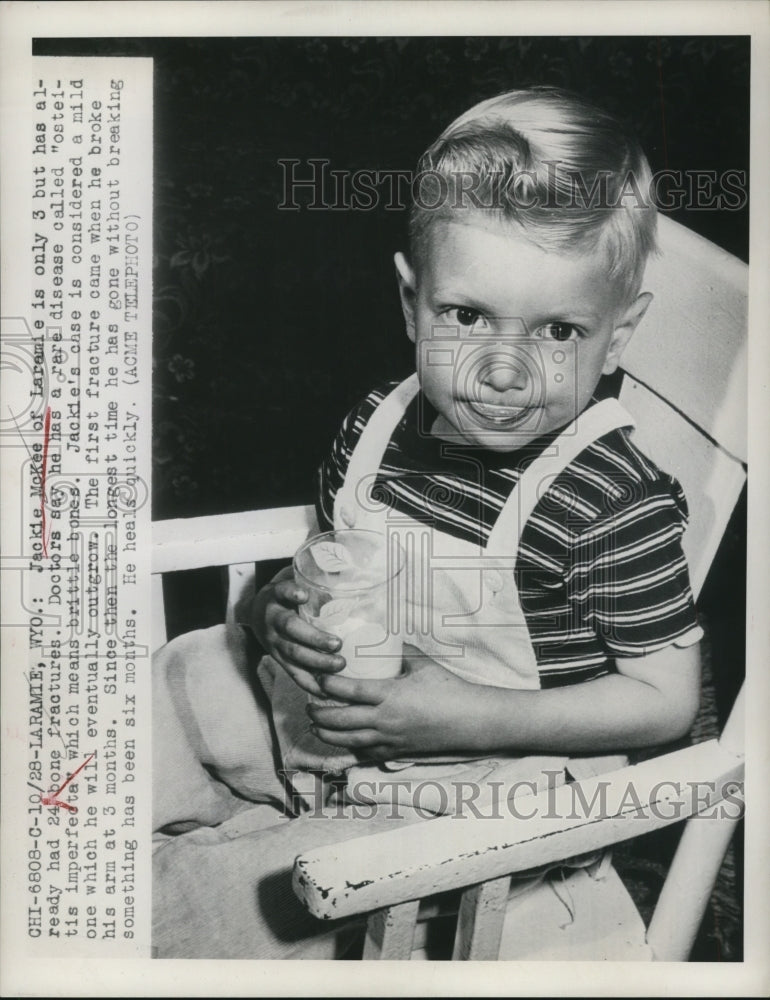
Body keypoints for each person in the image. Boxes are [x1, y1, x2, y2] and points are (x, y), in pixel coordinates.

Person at [152, 86, 703, 959]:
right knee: (181, 676)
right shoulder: (378, 422)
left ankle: (180, 894)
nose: (503, 369)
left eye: (559, 330)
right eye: (466, 316)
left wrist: (467, 718)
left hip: (492, 799)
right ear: (412, 301)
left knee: (214, 906)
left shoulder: (610, 501)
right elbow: (322, 564)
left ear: (619, 332)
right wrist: (279, 610)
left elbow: (665, 703)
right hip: (341, 731)